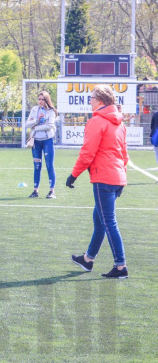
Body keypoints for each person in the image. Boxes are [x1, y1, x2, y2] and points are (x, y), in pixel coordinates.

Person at [68, 85, 130, 279]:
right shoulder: (120, 123)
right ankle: (88, 259)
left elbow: (87, 153)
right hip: (116, 178)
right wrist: (122, 175)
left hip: (104, 178)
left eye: (92, 97)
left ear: (100, 101)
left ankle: (121, 267)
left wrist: (74, 175)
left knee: (108, 221)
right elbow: (124, 155)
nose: (90, 100)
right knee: (100, 220)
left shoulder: (97, 121)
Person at [25, 91, 57, 199]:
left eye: (43, 99)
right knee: (37, 166)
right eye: (39, 99)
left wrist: (36, 127)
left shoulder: (51, 111)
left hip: (47, 140)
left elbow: (49, 126)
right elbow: (27, 124)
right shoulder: (34, 109)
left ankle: (52, 191)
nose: (40, 101)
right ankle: (35, 190)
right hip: (36, 142)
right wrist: (36, 121)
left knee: (49, 166)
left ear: (47, 100)